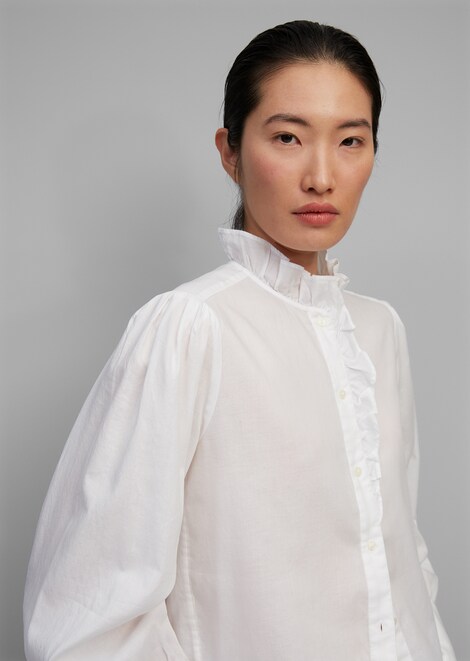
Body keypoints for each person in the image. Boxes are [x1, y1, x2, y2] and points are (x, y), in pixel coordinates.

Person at [23, 20, 456, 661]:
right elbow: (87, 619)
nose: (321, 176)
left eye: (350, 141)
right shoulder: (189, 326)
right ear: (230, 151)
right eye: (287, 137)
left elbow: (399, 556)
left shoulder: (379, 330)